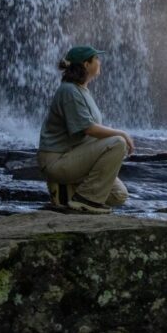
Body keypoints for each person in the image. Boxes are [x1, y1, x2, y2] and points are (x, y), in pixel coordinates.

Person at [37, 45, 135, 214]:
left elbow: (89, 130)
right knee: (117, 143)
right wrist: (121, 133)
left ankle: (66, 192)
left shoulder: (81, 90)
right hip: (57, 161)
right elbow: (89, 129)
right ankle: (86, 201)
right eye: (96, 58)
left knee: (118, 195)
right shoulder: (69, 91)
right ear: (86, 64)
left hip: (73, 156)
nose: (100, 62)